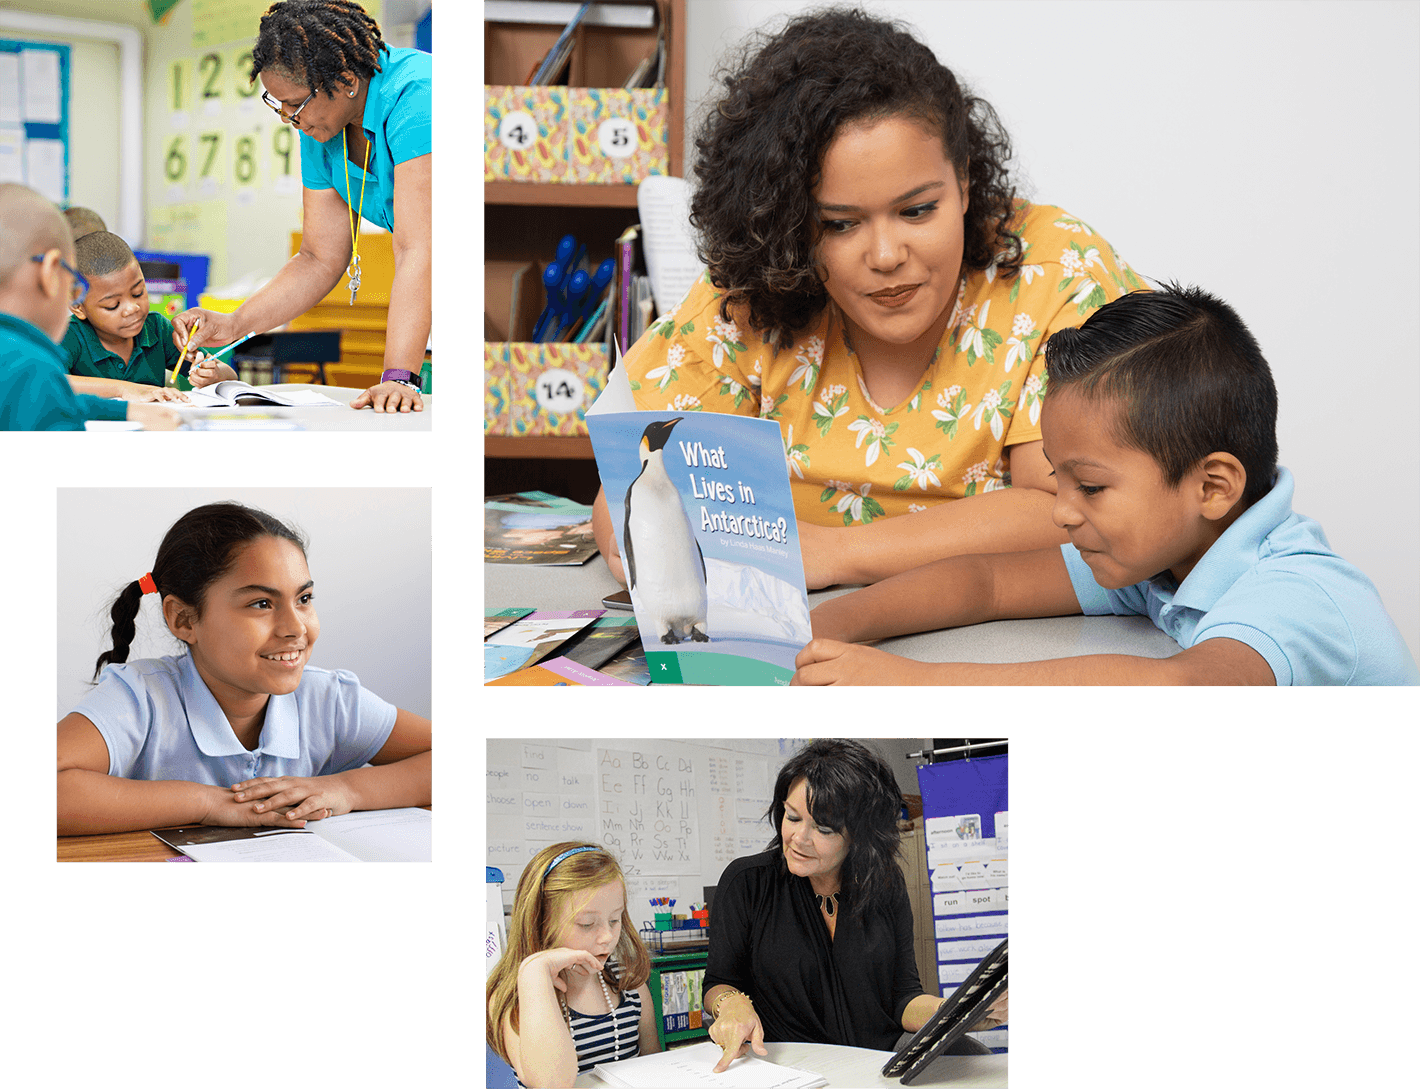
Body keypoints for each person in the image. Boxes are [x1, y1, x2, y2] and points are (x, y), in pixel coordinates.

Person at [592, 5, 1145, 588]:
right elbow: (627, 497)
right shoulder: (754, 291)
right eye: (839, 224)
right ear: (789, 222)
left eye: (916, 210)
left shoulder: (1055, 272)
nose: (885, 255)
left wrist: (837, 554)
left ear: (963, 183)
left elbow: (1071, 510)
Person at [794, 285, 1420, 685]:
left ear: (1213, 487)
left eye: (1089, 487)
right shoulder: (1164, 556)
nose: (1062, 512)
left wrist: (912, 682)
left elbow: (1177, 685)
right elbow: (985, 582)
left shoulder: (1296, 593)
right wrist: (828, 628)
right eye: (1057, 480)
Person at [56, 501, 433, 834]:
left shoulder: (329, 700)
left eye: (304, 599)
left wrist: (348, 789)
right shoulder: (141, 697)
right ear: (184, 619)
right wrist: (206, 804)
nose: (296, 628)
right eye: (261, 604)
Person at [171, 0, 431, 414]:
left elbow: (419, 248)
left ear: (345, 80)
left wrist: (399, 375)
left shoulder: (417, 95)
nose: (287, 118)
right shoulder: (321, 128)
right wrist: (236, 323)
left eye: (294, 103)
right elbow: (318, 257)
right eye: (277, 103)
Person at [705, 739, 1006, 1074]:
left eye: (823, 828)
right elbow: (719, 980)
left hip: (877, 1057)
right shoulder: (747, 882)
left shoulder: (884, 884)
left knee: (976, 1060)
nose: (798, 837)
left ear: (860, 836)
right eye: (792, 817)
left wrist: (960, 1012)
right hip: (787, 1063)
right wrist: (730, 1004)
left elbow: (903, 998)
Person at [0, 183, 181, 431]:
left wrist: (126, 410)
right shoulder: (33, 367)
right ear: (51, 273)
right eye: (75, 283)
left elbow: (63, 401)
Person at [486, 843, 662, 1088]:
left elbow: (656, 1068)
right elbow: (551, 1083)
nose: (607, 937)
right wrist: (534, 972)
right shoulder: (515, 997)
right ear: (541, 922)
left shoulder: (629, 985)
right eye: (587, 924)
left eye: (614, 919)